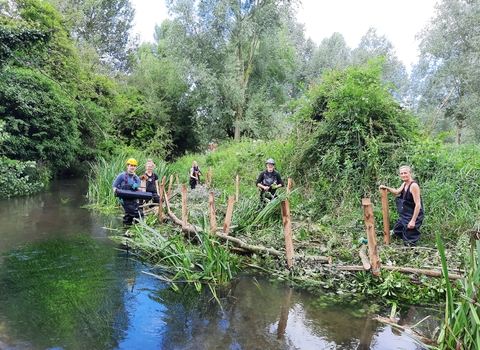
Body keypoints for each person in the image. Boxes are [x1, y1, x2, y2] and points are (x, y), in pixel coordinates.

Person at [379, 165, 424, 246]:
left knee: (410, 236)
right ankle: (406, 244)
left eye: (405, 173)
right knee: (397, 229)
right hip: (405, 214)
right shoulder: (404, 184)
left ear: (410, 173)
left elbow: (418, 205)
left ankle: (412, 250)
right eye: (401, 173)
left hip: (413, 214)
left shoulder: (413, 185)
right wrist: (386, 188)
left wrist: (413, 221)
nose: (403, 175)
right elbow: (396, 192)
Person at [112, 158, 143, 225]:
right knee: (140, 214)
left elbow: (140, 190)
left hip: (132, 200)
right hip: (124, 200)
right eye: (131, 165)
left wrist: (137, 186)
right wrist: (118, 196)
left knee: (128, 216)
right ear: (127, 166)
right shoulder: (121, 175)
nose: (133, 167)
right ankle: (138, 229)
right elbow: (114, 187)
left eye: (134, 166)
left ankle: (126, 229)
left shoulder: (136, 178)